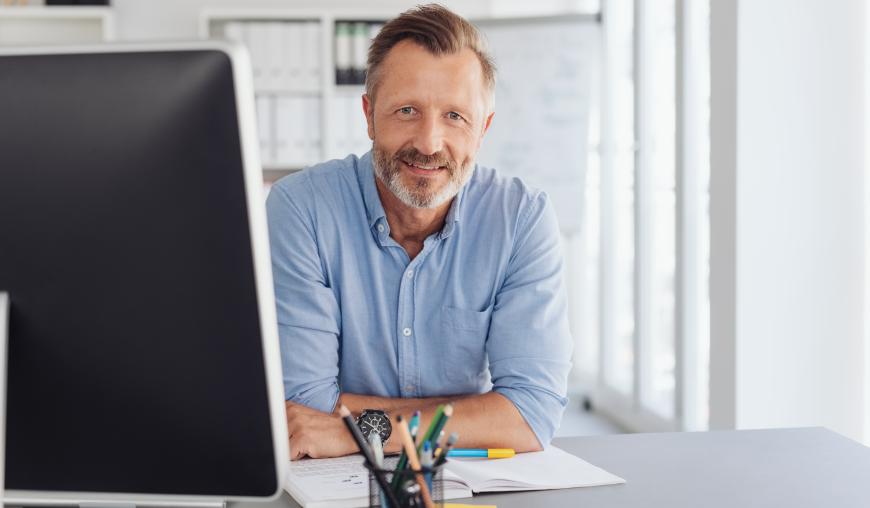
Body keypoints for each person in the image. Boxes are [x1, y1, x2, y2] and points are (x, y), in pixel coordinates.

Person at [266, 4, 572, 461]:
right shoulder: (301, 208)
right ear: (368, 115)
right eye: (407, 110)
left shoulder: (521, 219)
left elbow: (529, 415)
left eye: (455, 116)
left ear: (483, 128)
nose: (429, 143)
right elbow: (305, 408)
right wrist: (474, 418)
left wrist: (355, 430)